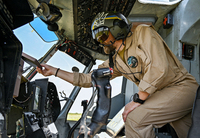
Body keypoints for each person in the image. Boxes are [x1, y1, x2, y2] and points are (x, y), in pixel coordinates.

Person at [36, 12, 199, 138]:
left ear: (115, 28)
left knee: (135, 119)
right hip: (165, 97)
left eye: (103, 35)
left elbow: (158, 68)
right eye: (98, 39)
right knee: (190, 133)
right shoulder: (116, 62)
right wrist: (54, 71)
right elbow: (88, 79)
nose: (101, 41)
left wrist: (138, 100)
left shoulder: (143, 33)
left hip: (181, 87)